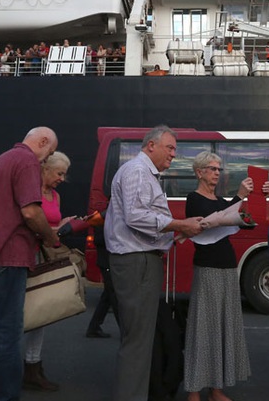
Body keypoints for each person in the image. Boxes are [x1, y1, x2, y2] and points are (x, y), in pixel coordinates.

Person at [104, 125, 204, 401]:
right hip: (137, 263)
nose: (174, 154)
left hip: (139, 261)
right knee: (138, 341)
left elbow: (139, 218)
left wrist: (176, 230)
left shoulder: (141, 172)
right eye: (170, 147)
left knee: (138, 338)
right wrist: (180, 223)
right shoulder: (138, 171)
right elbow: (136, 216)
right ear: (151, 145)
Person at [0, 127, 59, 401]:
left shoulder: (0, 160)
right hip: (9, 255)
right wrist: (49, 235)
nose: (46, 159)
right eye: (49, 152)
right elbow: (31, 211)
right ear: (42, 141)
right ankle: (4, 396)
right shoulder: (27, 161)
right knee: (7, 333)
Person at [184, 151, 269, 401]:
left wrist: (258, 198)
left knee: (222, 328)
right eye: (212, 168)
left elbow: (246, 219)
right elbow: (212, 220)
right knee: (203, 329)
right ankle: (193, 390)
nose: (217, 173)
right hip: (208, 268)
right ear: (199, 171)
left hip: (227, 267)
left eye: (219, 169)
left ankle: (216, 388)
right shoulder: (194, 198)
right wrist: (240, 197)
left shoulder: (221, 199)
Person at [23, 151, 76, 391]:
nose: (62, 179)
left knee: (40, 312)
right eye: (59, 173)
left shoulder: (55, 196)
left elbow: (50, 225)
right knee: (19, 312)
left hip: (43, 255)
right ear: (45, 170)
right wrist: (50, 229)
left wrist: (63, 226)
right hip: (25, 256)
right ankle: (18, 367)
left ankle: (33, 365)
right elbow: (27, 219)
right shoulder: (30, 192)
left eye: (64, 174)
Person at [85, 222, 120, 338]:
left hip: (109, 260)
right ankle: (125, 329)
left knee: (108, 296)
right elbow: (98, 239)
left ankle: (94, 327)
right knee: (114, 296)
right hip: (107, 260)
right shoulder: (104, 219)